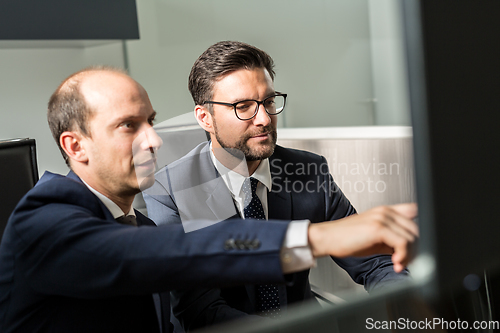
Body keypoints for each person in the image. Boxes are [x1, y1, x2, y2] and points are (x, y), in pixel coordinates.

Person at [0, 66, 417, 333]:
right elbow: (179, 255)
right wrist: (318, 239)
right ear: (75, 146)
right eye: (128, 126)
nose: (153, 140)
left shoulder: (134, 222)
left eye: (150, 122)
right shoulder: (43, 223)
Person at [143, 41, 417, 331]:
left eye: (269, 101)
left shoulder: (310, 172)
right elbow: (200, 311)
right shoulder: (169, 190)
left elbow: (373, 262)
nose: (264, 119)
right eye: (243, 107)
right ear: (204, 118)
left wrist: (405, 304)